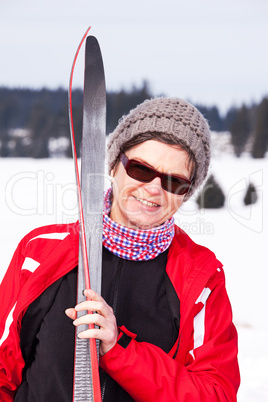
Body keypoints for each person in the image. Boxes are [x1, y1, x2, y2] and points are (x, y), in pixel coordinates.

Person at [0, 97, 240, 401]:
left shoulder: (201, 276)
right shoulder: (39, 252)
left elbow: (216, 394)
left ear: (187, 193)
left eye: (174, 181)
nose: (154, 188)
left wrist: (120, 350)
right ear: (115, 165)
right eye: (141, 169)